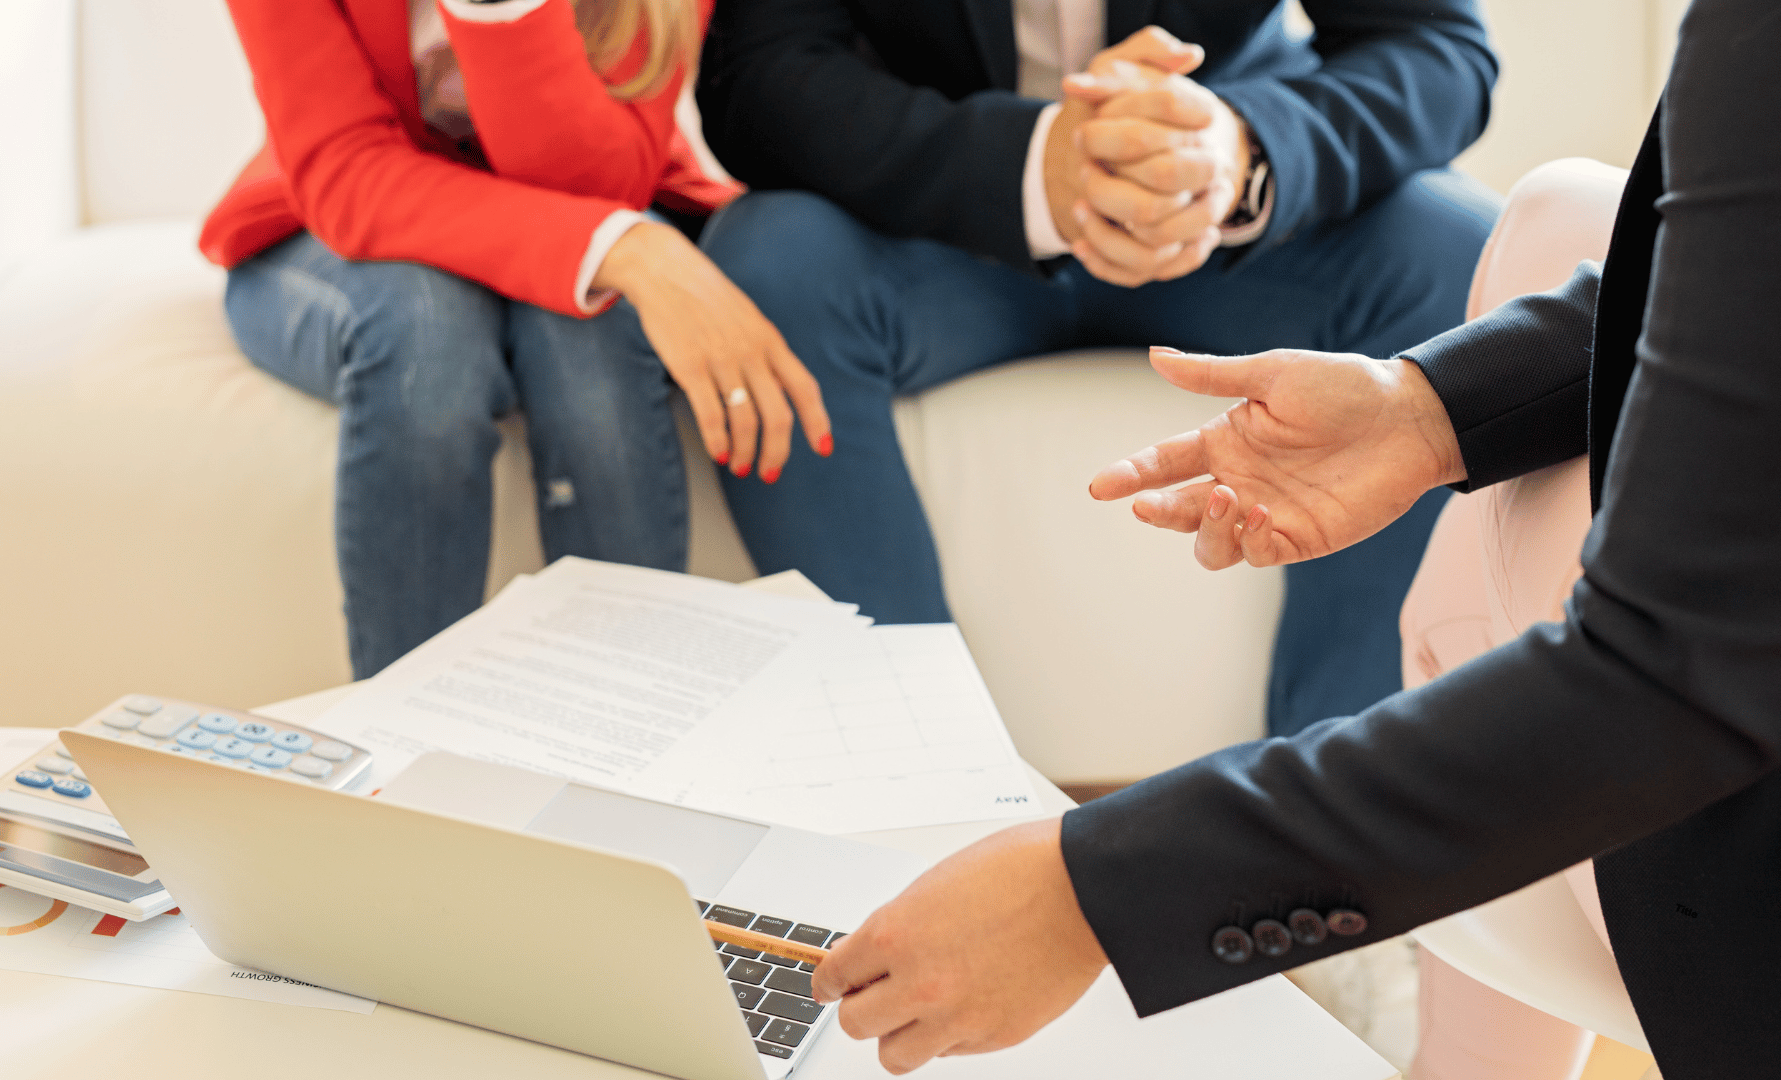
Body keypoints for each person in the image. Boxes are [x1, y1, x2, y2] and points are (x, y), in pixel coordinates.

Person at [803, 2, 1781, 1077]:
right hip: (949, 227)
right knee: (1560, 218)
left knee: (1495, 276)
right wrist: (1425, 409)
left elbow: (1674, 672)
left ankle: (1391, 974)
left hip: (1732, 921)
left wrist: (1094, 895)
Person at [694, 0, 1502, 736]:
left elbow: (1439, 48)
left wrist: (1243, 146)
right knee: (769, 265)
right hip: (939, 215)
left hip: (1225, 222)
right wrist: (1029, 163)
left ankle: (1340, 798)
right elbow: (756, 77)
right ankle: (909, 764)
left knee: (1457, 252)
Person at [200, 0, 829, 678]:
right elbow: (347, 174)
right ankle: (401, 731)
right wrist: (624, 249)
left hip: (582, 200)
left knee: (589, 331)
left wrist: (501, 9)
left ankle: (625, 712)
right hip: (332, 221)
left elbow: (599, 187)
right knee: (429, 338)